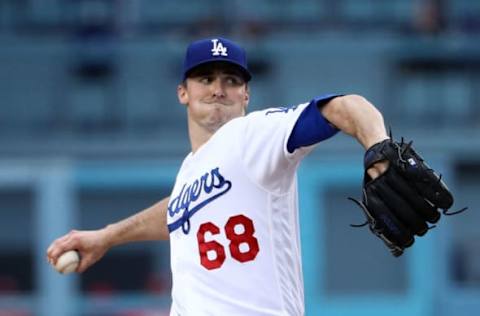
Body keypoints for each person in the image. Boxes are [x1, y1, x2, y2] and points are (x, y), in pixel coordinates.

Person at [47, 37, 390, 315]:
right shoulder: (190, 171)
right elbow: (177, 215)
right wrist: (107, 236)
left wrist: (380, 148)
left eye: (231, 80)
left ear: (246, 94)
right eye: (205, 78)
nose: (218, 89)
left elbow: (346, 107)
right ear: (183, 91)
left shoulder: (253, 135)